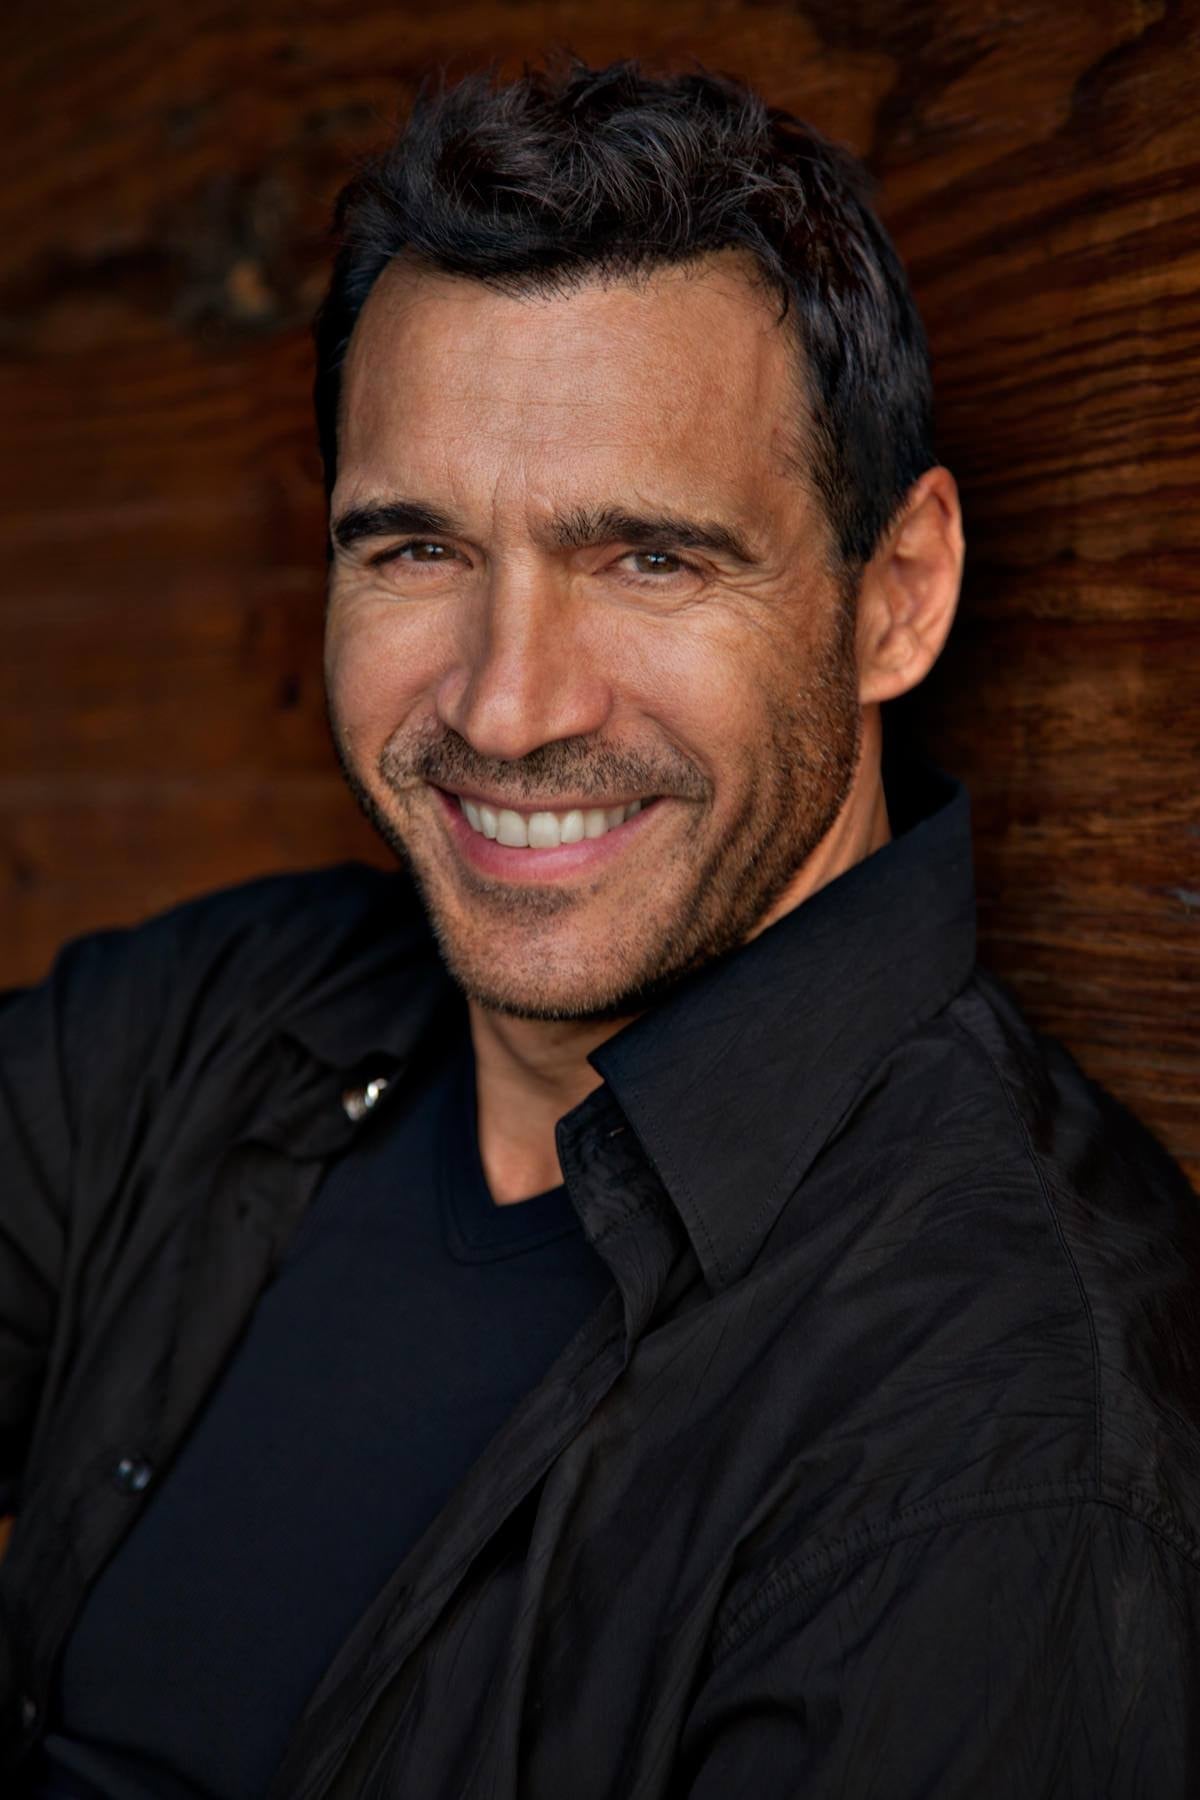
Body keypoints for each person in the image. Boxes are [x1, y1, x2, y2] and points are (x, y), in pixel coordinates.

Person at [3, 57, 1198, 1800]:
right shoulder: (218, 1017)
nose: (505, 707)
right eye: (416, 550)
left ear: (897, 595)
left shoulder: (1004, 1436)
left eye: (650, 558)